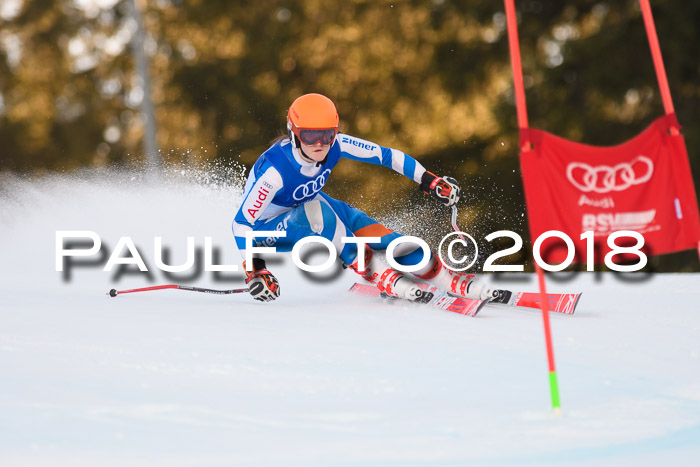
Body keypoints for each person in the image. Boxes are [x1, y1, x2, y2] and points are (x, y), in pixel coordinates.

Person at [233, 93, 508, 303]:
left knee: (382, 236)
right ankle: (379, 273)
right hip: (267, 231)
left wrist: (429, 180)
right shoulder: (275, 173)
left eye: (327, 134)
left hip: (308, 208)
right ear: (294, 132)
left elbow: (387, 156)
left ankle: (446, 278)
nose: (319, 144)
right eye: (310, 135)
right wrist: (256, 269)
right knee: (319, 212)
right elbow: (241, 224)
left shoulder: (336, 145)